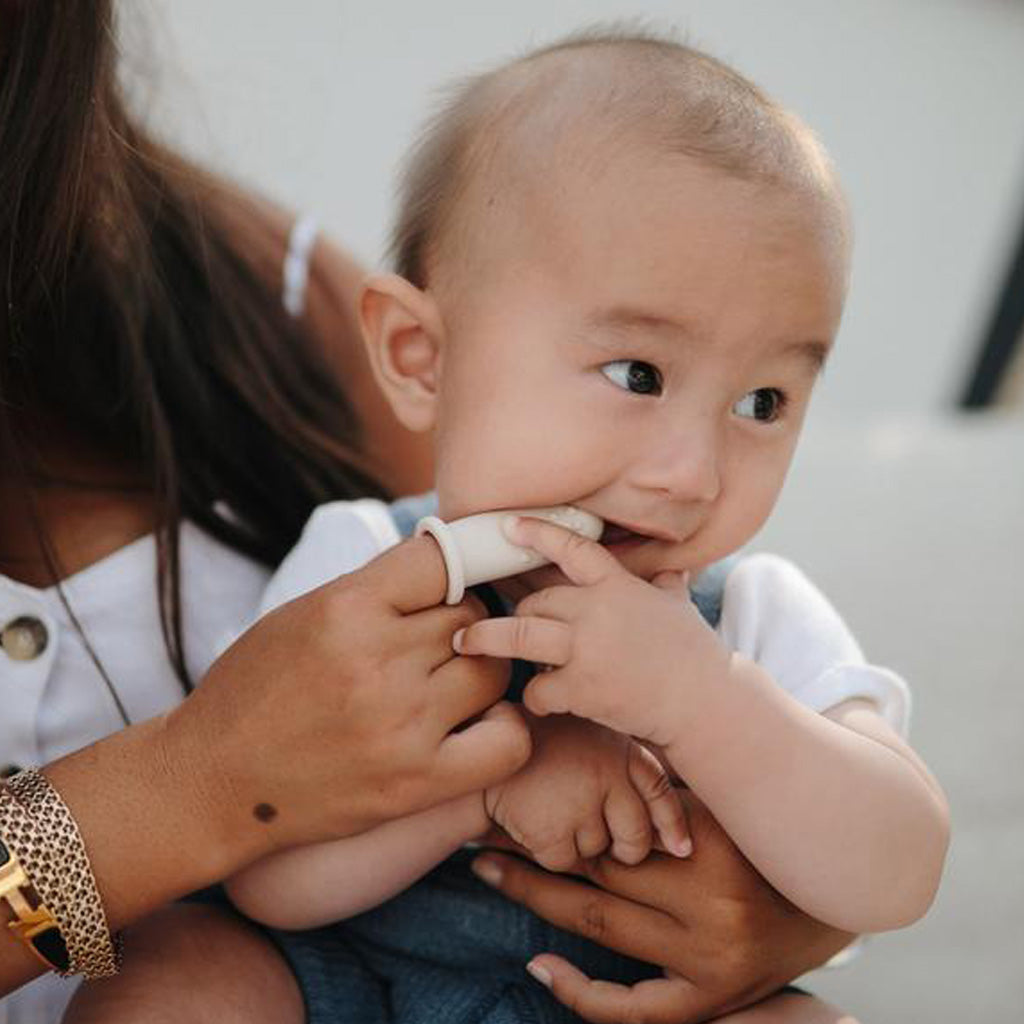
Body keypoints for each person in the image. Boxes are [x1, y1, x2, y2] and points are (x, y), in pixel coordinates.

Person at [62, 26, 949, 1024]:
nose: (691, 475)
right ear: (420, 359)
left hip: (629, 1007)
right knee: (179, 975)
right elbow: (272, 876)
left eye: (762, 403)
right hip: (354, 995)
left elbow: (898, 874)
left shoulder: (748, 613)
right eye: (637, 376)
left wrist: (707, 702)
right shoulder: (359, 563)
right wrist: (484, 790)